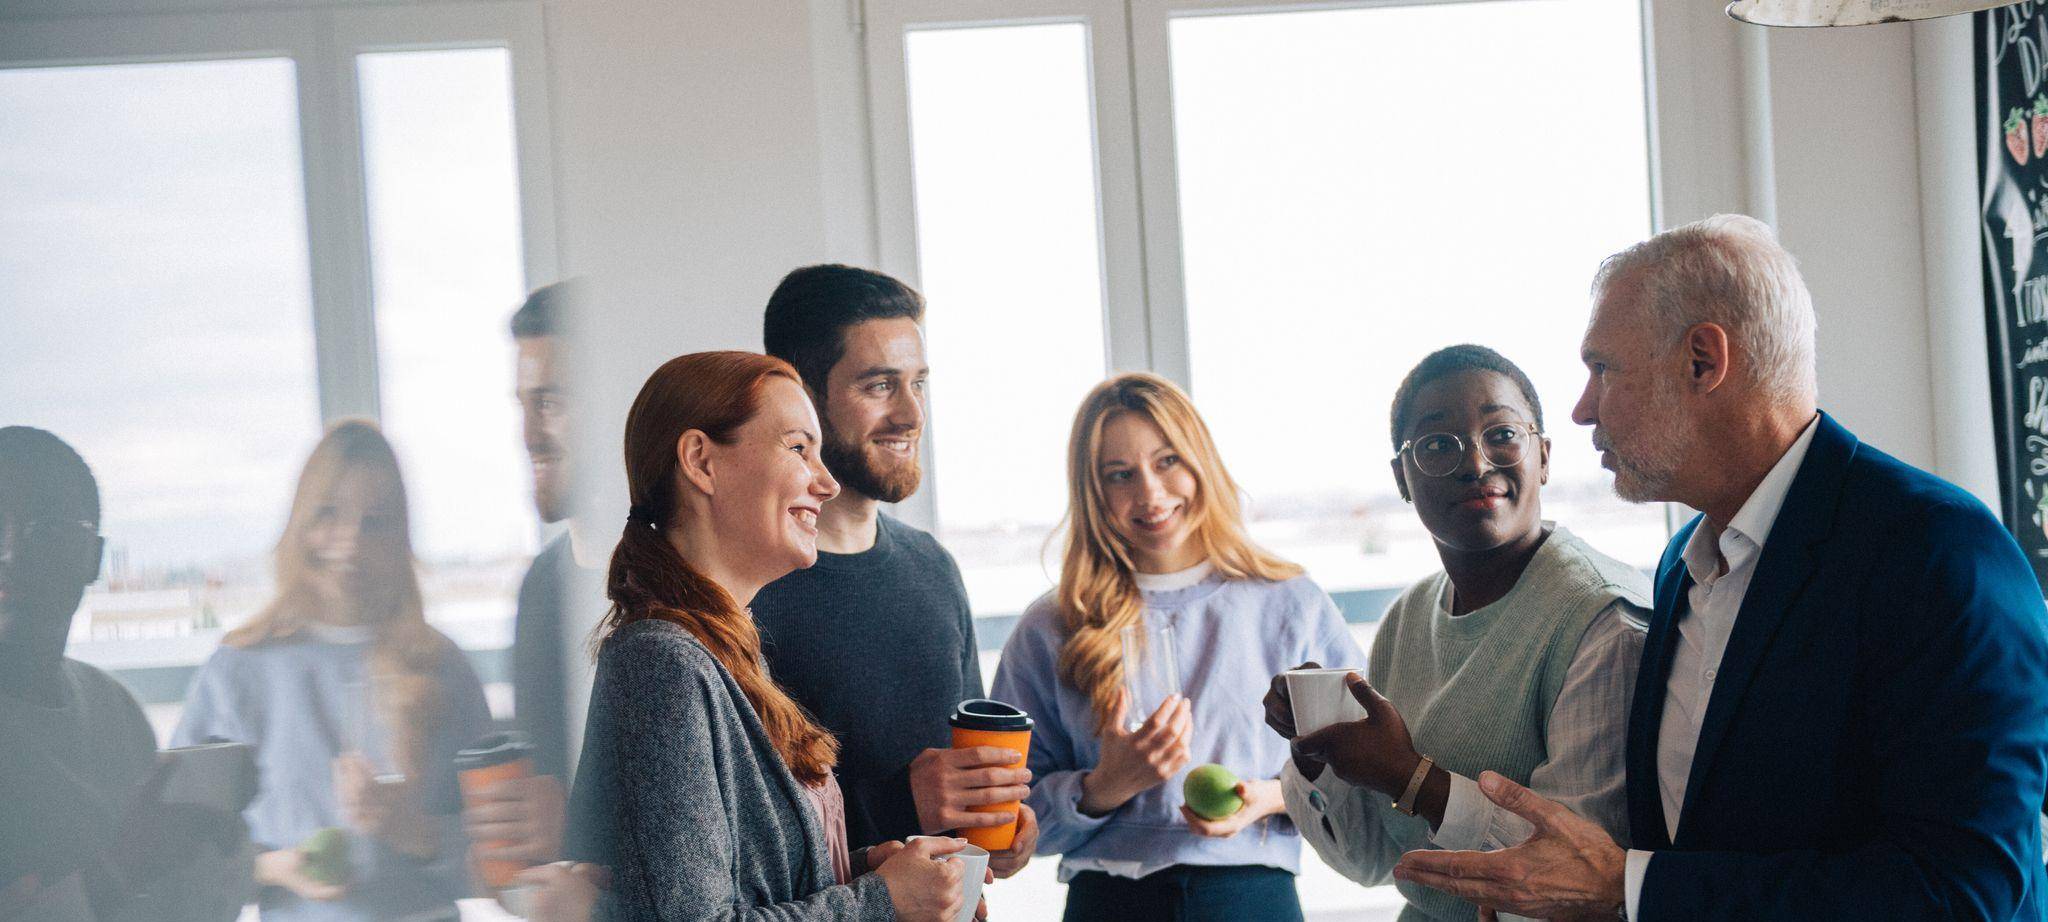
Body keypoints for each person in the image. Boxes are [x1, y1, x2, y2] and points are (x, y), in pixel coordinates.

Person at [1391, 215, 2048, 920]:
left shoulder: (1937, 552)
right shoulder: (1681, 564)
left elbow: (1965, 891)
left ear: (1703, 361)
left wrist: (1630, 890)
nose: (1582, 411)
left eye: (1602, 369)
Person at [564, 350, 968, 921]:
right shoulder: (662, 663)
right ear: (701, 461)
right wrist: (881, 902)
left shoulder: (722, 649)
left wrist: (863, 870)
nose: (826, 484)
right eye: (799, 448)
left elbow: (742, 883)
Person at [1261, 345, 1648, 922]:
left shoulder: (1603, 619)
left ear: (1542, 457)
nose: (1475, 462)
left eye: (1501, 434)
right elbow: (1371, 861)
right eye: (1438, 444)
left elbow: (1578, 880)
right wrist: (1318, 751)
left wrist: (1408, 776)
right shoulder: (1407, 618)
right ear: (1402, 477)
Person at [991, 372, 1365, 922]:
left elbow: (1367, 766)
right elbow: (1007, 819)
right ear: (1092, 493)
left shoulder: (1292, 604)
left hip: (1253, 900)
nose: (1149, 493)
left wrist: (1268, 796)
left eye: (1167, 460)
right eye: (1119, 474)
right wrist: (1102, 787)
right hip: (1108, 903)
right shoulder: (1049, 627)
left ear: (1201, 462)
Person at [755, 264, 1038, 875]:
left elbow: (962, 790)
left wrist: (998, 826)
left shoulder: (933, 569)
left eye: (919, 383)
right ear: (801, 398)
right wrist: (898, 804)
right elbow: (727, 851)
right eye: (880, 385)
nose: (911, 414)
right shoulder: (745, 591)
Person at [173, 421, 494, 921]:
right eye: (328, 514)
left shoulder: (442, 666)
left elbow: (502, 860)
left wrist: (414, 833)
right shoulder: (238, 670)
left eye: (375, 522)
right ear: (298, 524)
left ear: (400, 538)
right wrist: (275, 867)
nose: (349, 542)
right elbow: (181, 848)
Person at [0, 426, 246, 922]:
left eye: (45, 531)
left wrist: (217, 849)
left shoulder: (114, 711)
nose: (8, 556)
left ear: (93, 558)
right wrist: (122, 863)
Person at [460, 281, 589, 893]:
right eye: (523, 404)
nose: (529, 433)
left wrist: (574, 821)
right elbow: (536, 854)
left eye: (552, 402)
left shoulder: (701, 577)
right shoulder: (541, 589)